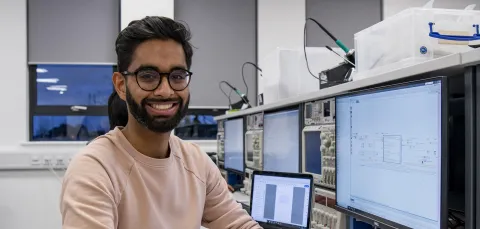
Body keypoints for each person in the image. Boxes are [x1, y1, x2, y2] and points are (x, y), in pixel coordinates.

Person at [60, 16, 261, 229]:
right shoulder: (94, 168)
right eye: (148, 76)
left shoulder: (196, 161)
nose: (165, 91)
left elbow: (239, 225)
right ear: (121, 85)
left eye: (177, 76)